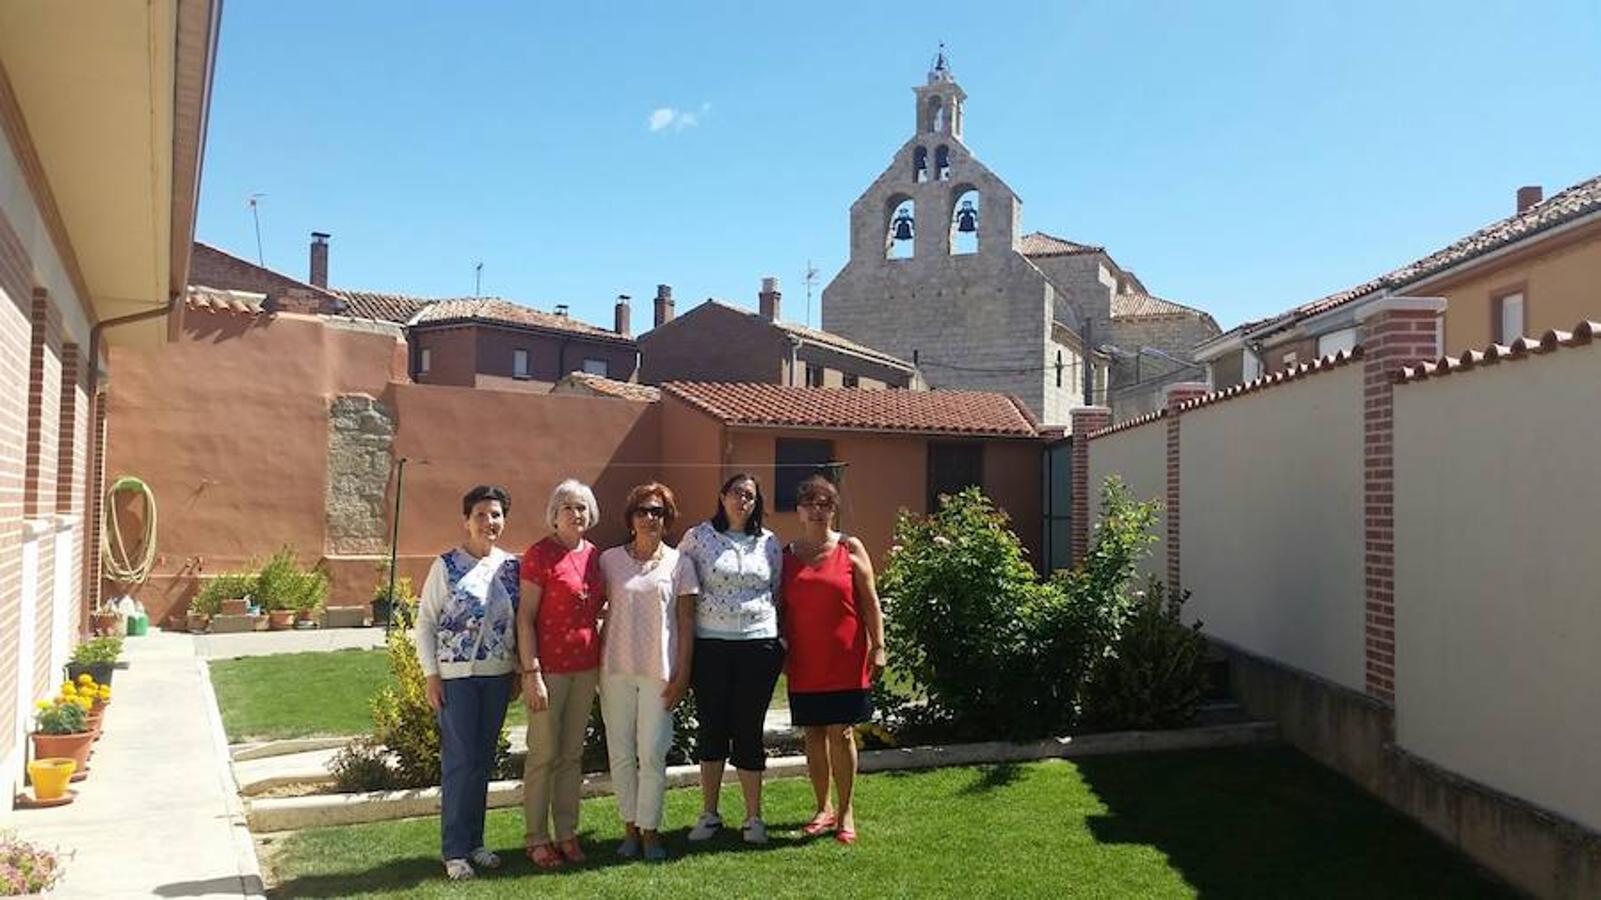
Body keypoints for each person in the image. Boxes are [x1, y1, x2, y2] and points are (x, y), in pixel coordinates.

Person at [415, 484, 521, 881]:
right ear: (466, 520)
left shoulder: (513, 567)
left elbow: (518, 623)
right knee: (459, 764)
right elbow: (425, 622)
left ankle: (475, 842)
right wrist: (431, 675)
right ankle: (454, 850)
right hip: (456, 680)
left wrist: (516, 671)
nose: (488, 522)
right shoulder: (447, 565)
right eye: (480, 515)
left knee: (481, 762)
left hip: (495, 678)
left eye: (495, 515)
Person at [677, 474, 785, 845]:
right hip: (711, 648)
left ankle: (754, 818)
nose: (743, 501)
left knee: (749, 729)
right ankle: (709, 814)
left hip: (758, 647)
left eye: (750, 496)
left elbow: (775, 590)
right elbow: (681, 587)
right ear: (722, 496)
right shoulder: (698, 538)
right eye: (737, 494)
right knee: (712, 727)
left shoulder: (768, 542)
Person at [781, 474, 887, 846]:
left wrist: (879, 645)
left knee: (840, 733)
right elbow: (781, 608)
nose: (817, 511)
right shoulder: (786, 555)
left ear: (833, 509)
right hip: (804, 659)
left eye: (825, 504)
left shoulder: (850, 547)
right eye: (810, 503)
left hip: (845, 656)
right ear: (798, 510)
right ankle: (822, 808)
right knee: (812, 733)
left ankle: (845, 811)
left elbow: (870, 601)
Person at [598, 482, 699, 861]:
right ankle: (629, 829)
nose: (650, 517)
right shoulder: (608, 560)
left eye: (657, 511)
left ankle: (651, 832)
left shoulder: (680, 564)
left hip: (660, 671)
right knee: (621, 752)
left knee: (652, 753)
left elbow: (687, 624)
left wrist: (683, 673)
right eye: (643, 511)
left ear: (667, 519)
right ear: (631, 519)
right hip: (614, 669)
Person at [517, 479, 605, 869]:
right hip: (547, 671)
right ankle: (536, 838)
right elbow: (525, 617)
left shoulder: (594, 557)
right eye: (568, 507)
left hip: (585, 670)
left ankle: (566, 833)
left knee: (571, 756)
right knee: (543, 755)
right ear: (554, 514)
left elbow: (598, 610)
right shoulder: (539, 555)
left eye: (582, 507)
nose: (576, 514)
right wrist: (530, 671)